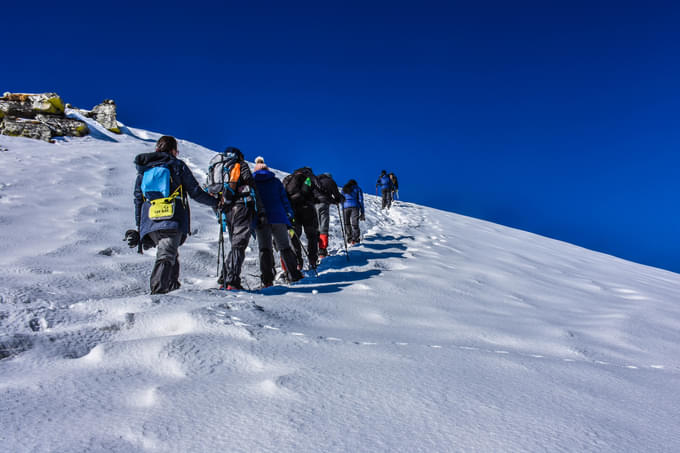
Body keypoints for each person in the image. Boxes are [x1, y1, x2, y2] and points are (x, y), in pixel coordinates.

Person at [127, 135, 219, 294]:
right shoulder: (176, 165)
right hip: (171, 216)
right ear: (173, 150)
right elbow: (195, 192)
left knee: (170, 252)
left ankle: (173, 290)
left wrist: (139, 226)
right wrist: (216, 203)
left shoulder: (145, 169)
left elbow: (138, 199)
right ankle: (158, 293)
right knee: (166, 254)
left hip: (149, 219)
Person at [216, 147, 263, 290]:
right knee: (239, 244)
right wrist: (259, 209)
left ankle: (224, 278)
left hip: (227, 210)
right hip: (242, 207)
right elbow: (250, 182)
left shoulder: (221, 167)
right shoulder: (240, 165)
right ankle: (232, 281)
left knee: (235, 244)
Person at [252, 157, 304, 287]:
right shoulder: (275, 182)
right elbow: (284, 200)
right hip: (279, 218)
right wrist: (289, 215)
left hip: (261, 219)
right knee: (285, 247)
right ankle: (294, 275)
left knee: (265, 249)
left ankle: (267, 280)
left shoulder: (251, 182)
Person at [283, 167, 321, 270]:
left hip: (293, 212)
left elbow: (283, 195)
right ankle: (312, 261)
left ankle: (298, 263)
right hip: (308, 210)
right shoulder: (309, 178)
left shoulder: (288, 179)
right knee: (312, 236)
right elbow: (317, 193)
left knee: (294, 237)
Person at [314, 172, 345, 258]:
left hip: (313, 205)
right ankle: (322, 251)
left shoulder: (315, 180)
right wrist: (338, 200)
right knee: (323, 227)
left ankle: (314, 251)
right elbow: (336, 195)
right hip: (323, 205)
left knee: (315, 227)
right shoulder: (330, 181)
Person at [342, 179, 365, 245]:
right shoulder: (358, 188)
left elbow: (341, 199)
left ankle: (349, 238)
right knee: (355, 223)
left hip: (345, 207)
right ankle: (356, 239)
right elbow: (361, 200)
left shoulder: (344, 188)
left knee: (347, 223)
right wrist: (362, 212)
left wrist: (342, 208)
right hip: (355, 206)